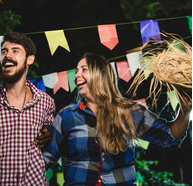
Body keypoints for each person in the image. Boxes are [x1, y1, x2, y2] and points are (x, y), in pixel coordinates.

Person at [42, 52, 191, 185]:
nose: (76, 76)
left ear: (100, 74)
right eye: (75, 71)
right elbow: (46, 159)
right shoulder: (66, 116)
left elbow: (170, 135)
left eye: (83, 70)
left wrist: (184, 111)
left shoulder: (130, 111)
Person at [0, 32, 56, 185]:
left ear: (30, 59)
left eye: (15, 51)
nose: (7, 55)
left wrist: (49, 132)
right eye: (4, 51)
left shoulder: (46, 102)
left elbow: (53, 140)